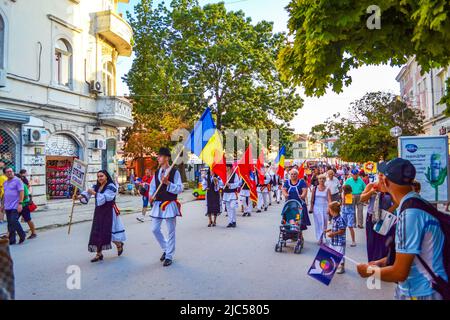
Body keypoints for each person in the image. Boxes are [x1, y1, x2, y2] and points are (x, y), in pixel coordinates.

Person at [357, 158, 447, 300]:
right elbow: (416, 252)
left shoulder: (410, 214)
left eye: (382, 175)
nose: (379, 178)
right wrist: (383, 261)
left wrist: (369, 271)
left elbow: (399, 273)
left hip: (422, 292)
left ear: (386, 182)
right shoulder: (416, 203)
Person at [78, 170, 126, 262]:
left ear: (106, 176)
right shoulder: (97, 186)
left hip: (109, 212)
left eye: (101, 176)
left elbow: (106, 197)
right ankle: (99, 254)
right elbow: (87, 193)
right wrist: (78, 197)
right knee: (97, 232)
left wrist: (94, 193)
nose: (99, 178)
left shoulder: (111, 186)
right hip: (99, 211)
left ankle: (119, 244)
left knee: (108, 233)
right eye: (98, 176)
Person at [148, 147, 183, 267]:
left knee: (171, 231)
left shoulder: (174, 172)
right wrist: (151, 196)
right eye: (158, 156)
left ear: (167, 158)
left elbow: (179, 188)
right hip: (158, 204)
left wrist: (168, 183)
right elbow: (153, 187)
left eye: (160, 156)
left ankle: (169, 255)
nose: (158, 158)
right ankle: (165, 248)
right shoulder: (157, 172)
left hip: (169, 204)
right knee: (154, 229)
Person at [360, 168, 397, 262]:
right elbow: (362, 198)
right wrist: (371, 192)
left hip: (386, 219)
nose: (382, 177)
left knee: (385, 244)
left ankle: (384, 267)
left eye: (384, 175)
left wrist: (387, 212)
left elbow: (397, 202)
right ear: (377, 175)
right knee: (372, 243)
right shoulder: (372, 185)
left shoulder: (390, 187)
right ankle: (372, 266)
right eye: (380, 175)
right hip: (372, 218)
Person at [0, 167, 26, 245]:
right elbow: (5, 195)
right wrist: (2, 205)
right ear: (5, 174)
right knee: (10, 223)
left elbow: (22, 192)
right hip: (7, 206)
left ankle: (22, 234)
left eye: (11, 171)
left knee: (13, 221)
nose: (10, 173)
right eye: (8, 172)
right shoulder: (5, 183)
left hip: (16, 205)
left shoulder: (17, 181)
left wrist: (20, 204)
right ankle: (12, 240)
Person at [310, 174, 331, 244]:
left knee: (324, 223)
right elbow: (312, 199)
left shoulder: (327, 189)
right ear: (318, 180)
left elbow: (329, 200)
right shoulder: (315, 188)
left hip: (325, 207)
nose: (321, 180)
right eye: (320, 179)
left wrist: (329, 208)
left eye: (323, 179)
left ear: (325, 180)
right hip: (317, 207)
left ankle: (323, 236)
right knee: (318, 223)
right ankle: (320, 238)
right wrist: (311, 208)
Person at [326, 201, 347, 274]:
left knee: (340, 254)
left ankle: (342, 267)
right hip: (334, 241)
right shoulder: (334, 218)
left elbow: (342, 230)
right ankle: (333, 265)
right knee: (331, 252)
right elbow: (335, 228)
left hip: (339, 242)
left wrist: (333, 234)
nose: (328, 211)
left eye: (329, 209)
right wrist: (329, 230)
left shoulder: (340, 219)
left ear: (332, 211)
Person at [16, 174, 37, 239]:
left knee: (28, 219)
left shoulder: (23, 185)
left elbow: (26, 195)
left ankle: (34, 233)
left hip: (24, 205)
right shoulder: (16, 186)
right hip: (17, 206)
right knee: (13, 220)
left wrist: (20, 201)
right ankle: (8, 234)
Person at [223, 163, 240, 228]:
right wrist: (217, 182)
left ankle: (234, 221)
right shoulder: (224, 175)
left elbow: (237, 184)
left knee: (232, 207)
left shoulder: (235, 175)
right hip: (226, 194)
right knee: (228, 208)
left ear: (229, 167)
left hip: (232, 193)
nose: (225, 168)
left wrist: (229, 185)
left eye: (226, 167)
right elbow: (222, 183)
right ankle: (230, 222)